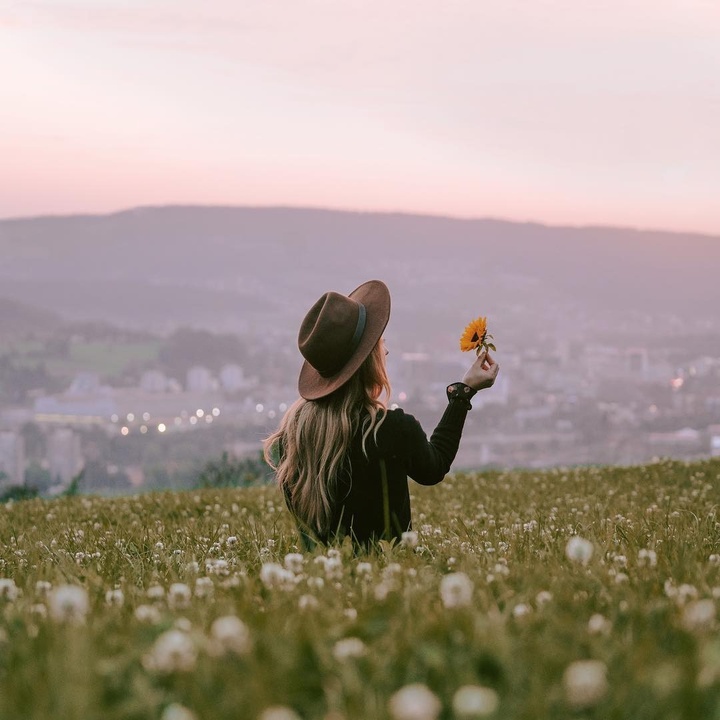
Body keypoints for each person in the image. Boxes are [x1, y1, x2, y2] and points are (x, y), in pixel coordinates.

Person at [264, 279, 499, 549]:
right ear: (368, 360)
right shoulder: (389, 429)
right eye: (379, 343)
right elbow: (435, 467)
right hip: (392, 577)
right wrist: (463, 393)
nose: (385, 350)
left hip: (323, 582)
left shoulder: (291, 438)